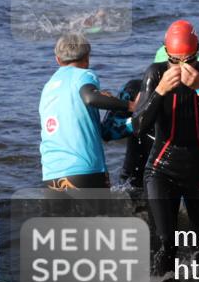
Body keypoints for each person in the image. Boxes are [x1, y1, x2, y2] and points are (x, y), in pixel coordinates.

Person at [133, 20, 199, 275]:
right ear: (166, 54)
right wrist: (161, 91)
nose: (182, 67)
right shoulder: (155, 73)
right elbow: (138, 127)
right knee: (165, 244)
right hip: (161, 170)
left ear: (198, 54)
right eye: (175, 61)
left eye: (188, 60)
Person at [39, 33, 134, 190]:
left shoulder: (48, 86)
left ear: (57, 59)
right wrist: (130, 106)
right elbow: (89, 98)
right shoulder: (84, 74)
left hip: (51, 174)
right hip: (85, 171)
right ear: (87, 58)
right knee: (101, 215)